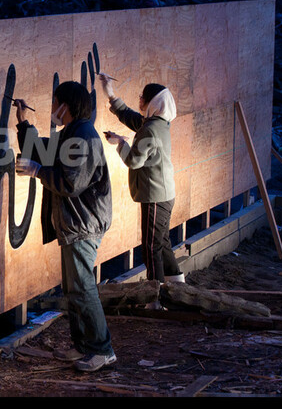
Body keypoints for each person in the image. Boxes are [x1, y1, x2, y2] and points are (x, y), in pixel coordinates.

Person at [13, 81, 116, 372]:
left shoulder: (83, 136)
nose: (52, 109)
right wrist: (23, 124)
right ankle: (84, 346)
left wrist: (37, 172)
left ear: (65, 106)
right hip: (75, 223)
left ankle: (102, 350)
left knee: (83, 287)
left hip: (83, 223)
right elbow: (44, 150)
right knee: (74, 288)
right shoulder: (74, 132)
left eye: (55, 102)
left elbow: (71, 182)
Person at [99, 76, 184, 305]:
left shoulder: (150, 130)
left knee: (150, 246)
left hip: (156, 195)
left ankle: (154, 298)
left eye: (142, 98)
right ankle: (179, 288)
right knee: (162, 242)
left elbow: (135, 161)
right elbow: (132, 118)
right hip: (163, 193)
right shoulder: (158, 123)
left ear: (152, 102)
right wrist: (110, 94)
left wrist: (120, 143)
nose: (140, 100)